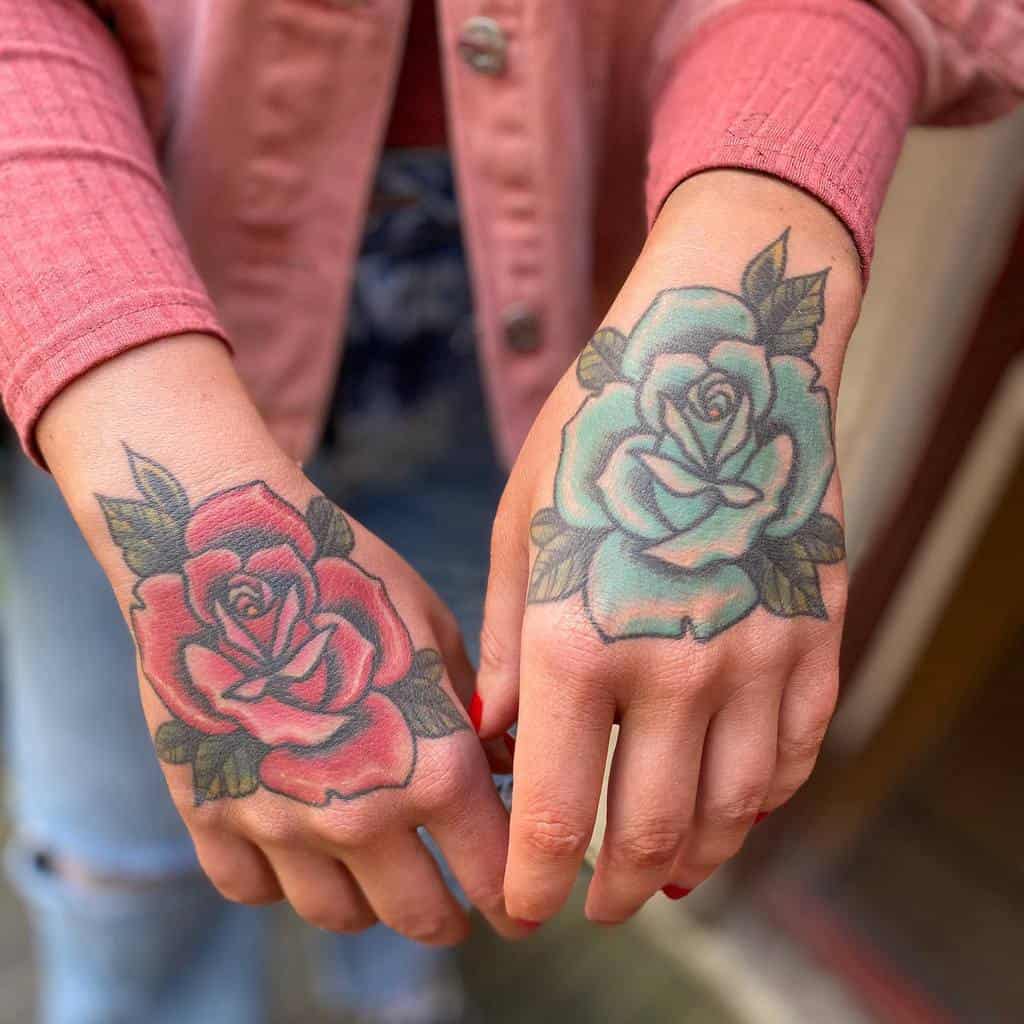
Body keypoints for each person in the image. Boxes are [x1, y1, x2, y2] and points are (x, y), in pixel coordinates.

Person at [0, 1, 1018, 1022]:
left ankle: (390, 977)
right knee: (127, 863)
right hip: (118, 256)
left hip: (526, 337)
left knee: (450, 775)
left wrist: (758, 210)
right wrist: (115, 385)